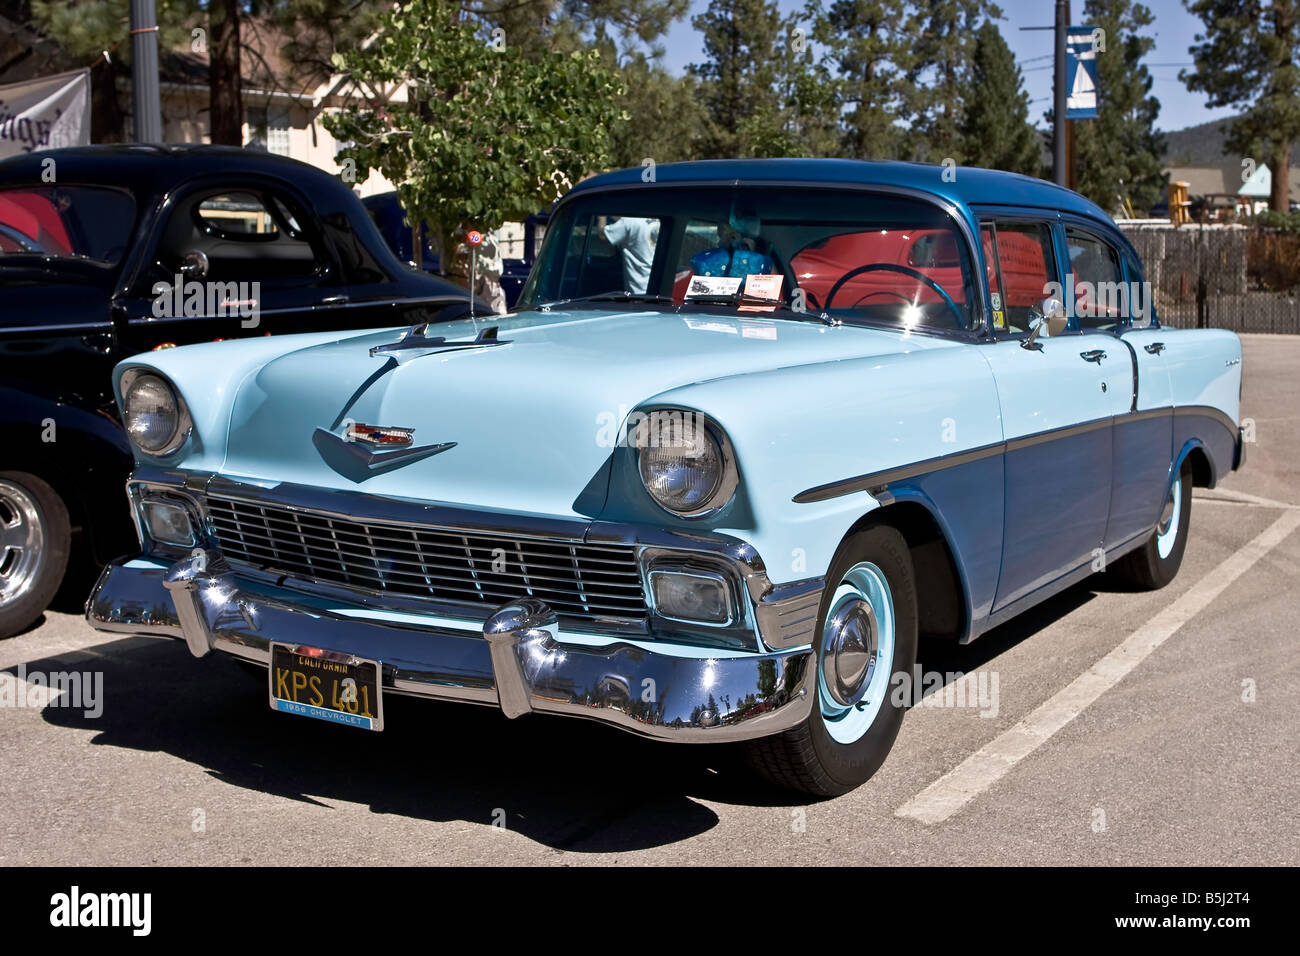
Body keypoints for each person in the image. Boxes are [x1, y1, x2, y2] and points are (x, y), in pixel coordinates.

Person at [601, 216, 659, 294]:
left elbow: (603, 236)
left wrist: (601, 218)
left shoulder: (629, 221)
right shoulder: (658, 220)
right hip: (657, 287)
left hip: (638, 291)